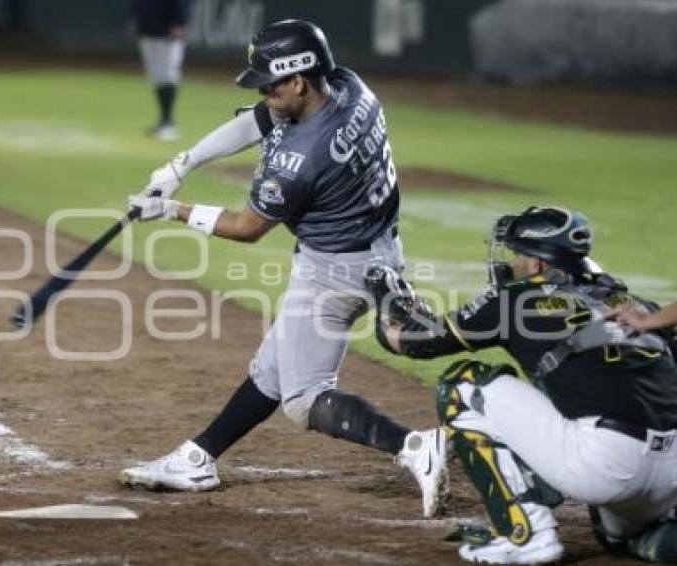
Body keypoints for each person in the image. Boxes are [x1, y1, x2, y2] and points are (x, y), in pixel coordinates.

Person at [122, 19, 447, 518]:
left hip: (336, 273)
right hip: (375, 252)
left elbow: (248, 227)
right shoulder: (348, 86)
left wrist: (171, 211)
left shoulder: (301, 157)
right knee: (272, 368)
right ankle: (199, 458)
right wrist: (182, 165)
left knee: (303, 398)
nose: (266, 93)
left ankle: (415, 447)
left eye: (272, 84)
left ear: (299, 80)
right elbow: (257, 121)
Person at [368, 205, 677, 563]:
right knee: (620, 537)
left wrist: (388, 303)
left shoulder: (516, 299)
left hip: (608, 467)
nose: (512, 261)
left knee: (464, 387)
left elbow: (414, 341)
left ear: (537, 264)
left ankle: (525, 537)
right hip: (670, 474)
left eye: (518, 254)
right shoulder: (634, 302)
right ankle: (657, 533)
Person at [128, 0, 191, 141]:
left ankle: (168, 124)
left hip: (167, 33)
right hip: (148, 31)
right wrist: (136, 19)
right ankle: (163, 121)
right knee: (157, 77)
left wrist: (179, 22)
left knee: (168, 76)